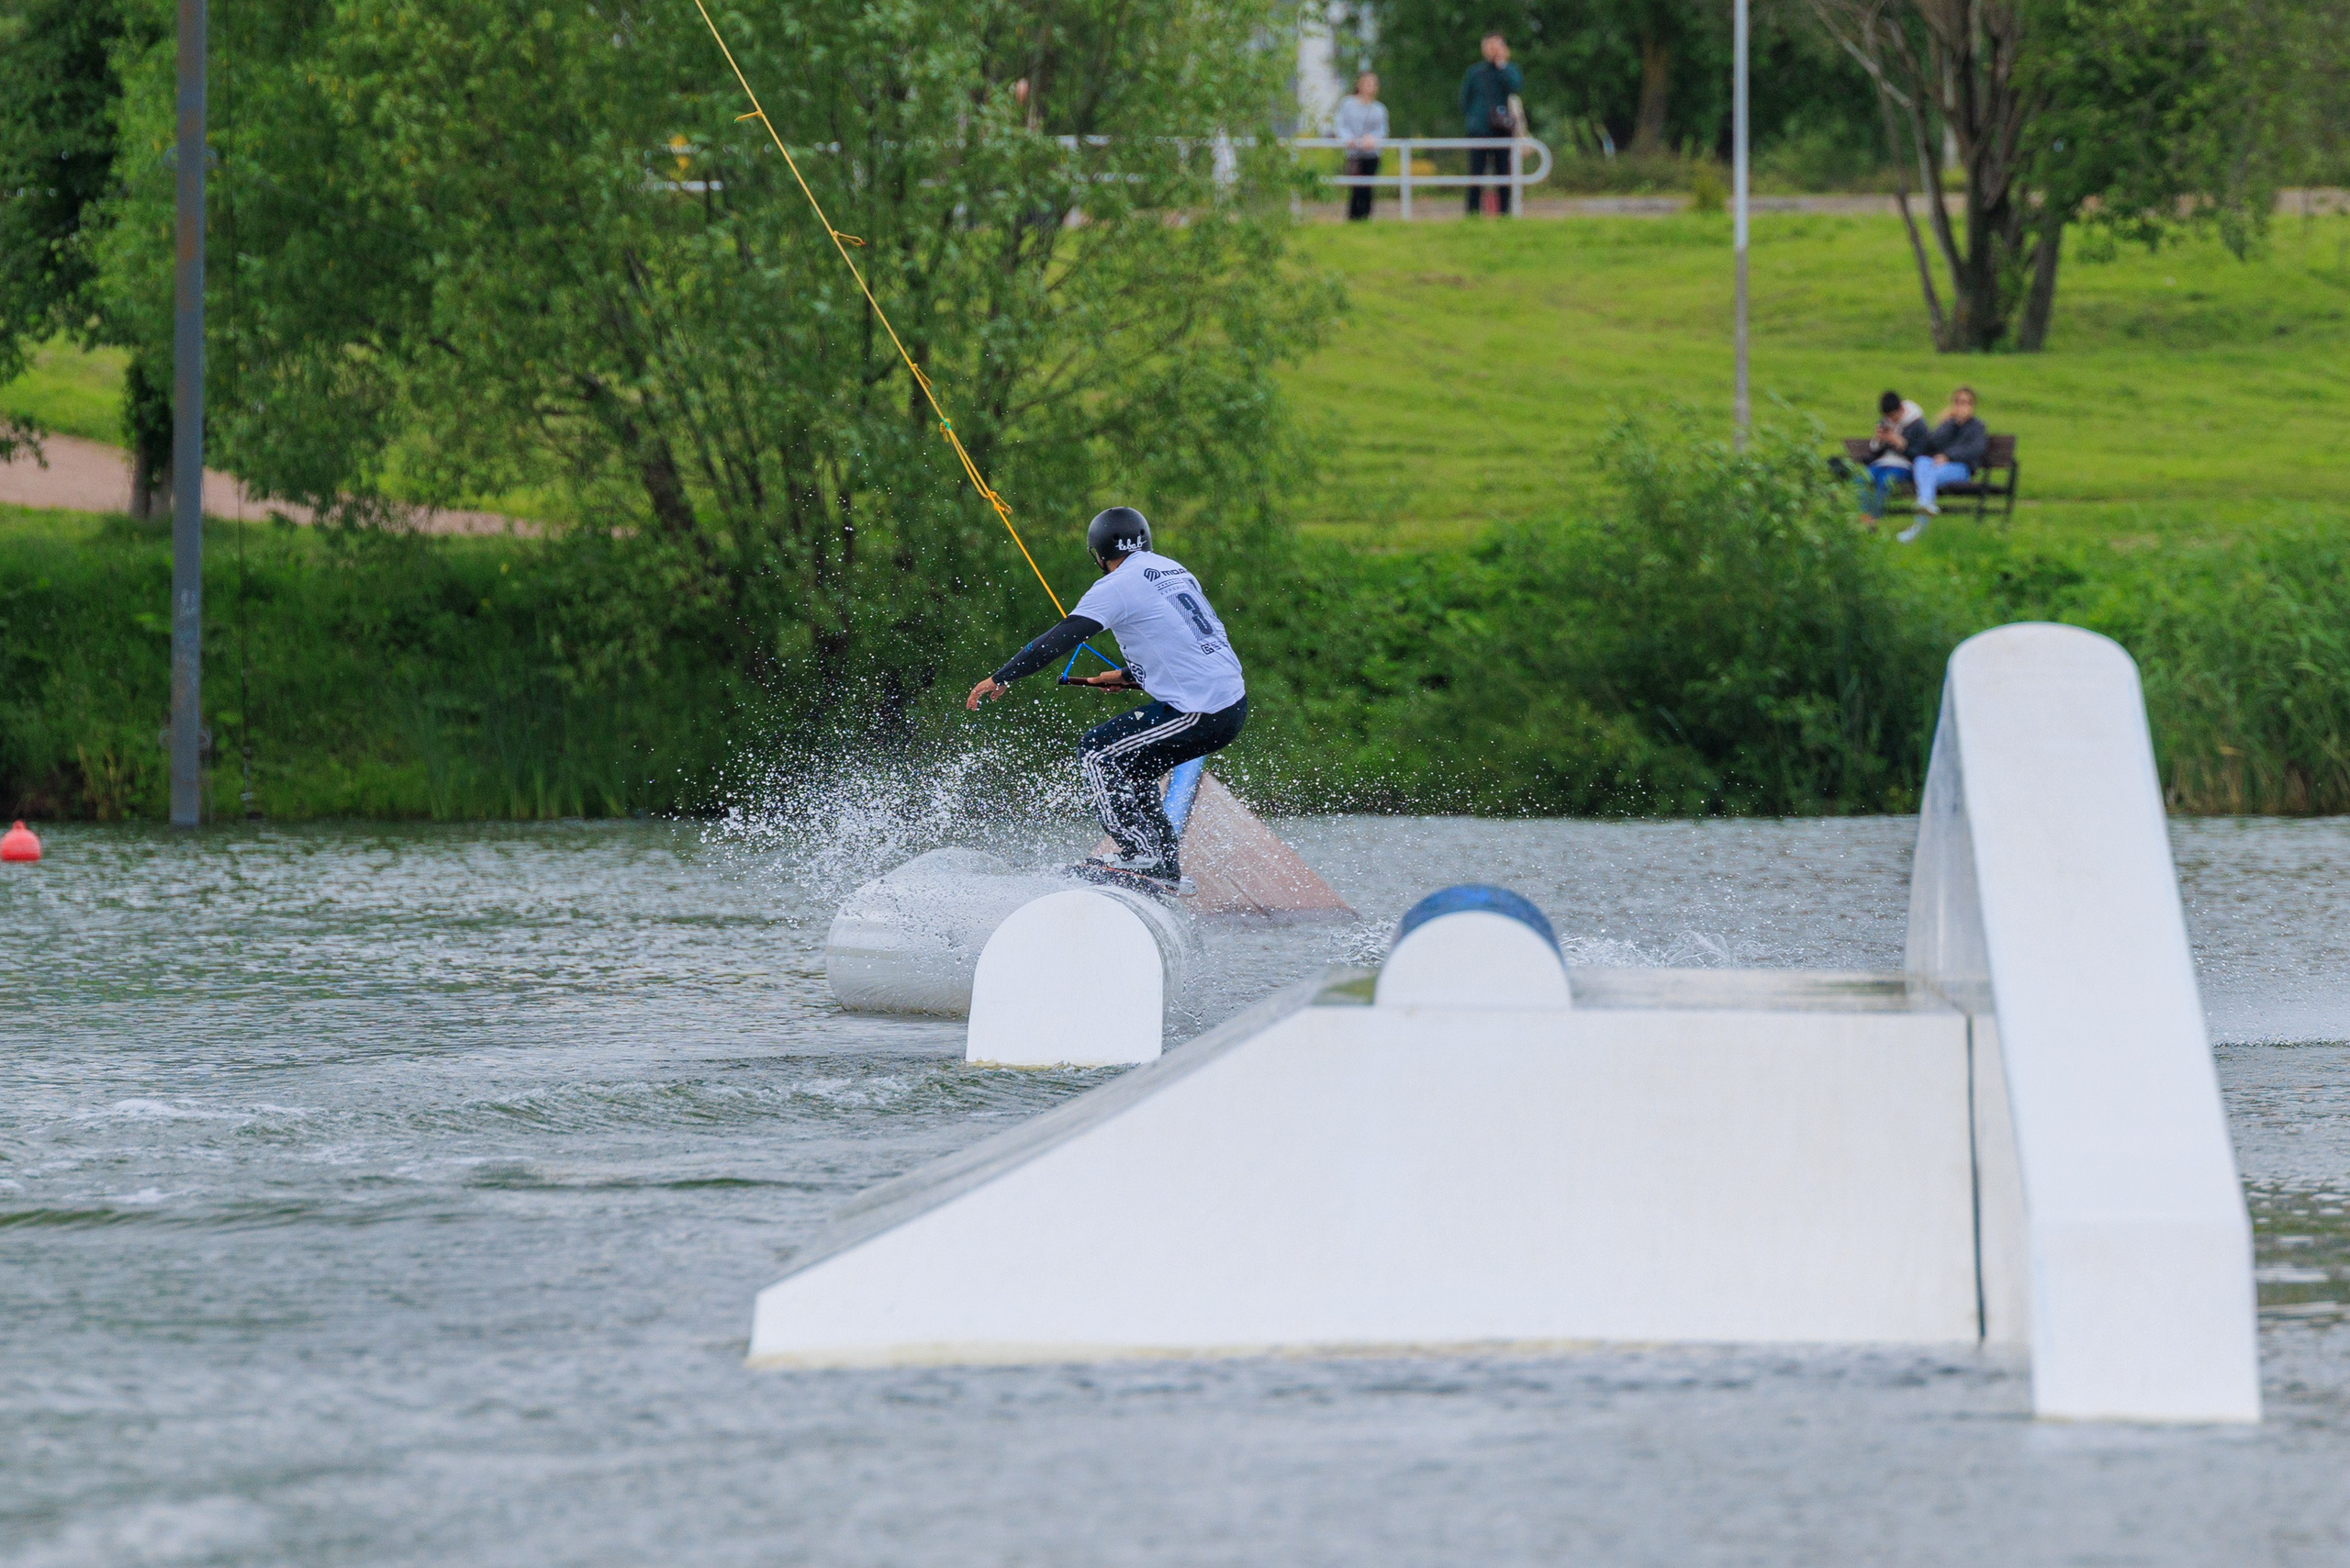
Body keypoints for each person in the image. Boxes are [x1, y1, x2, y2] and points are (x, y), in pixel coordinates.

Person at [967, 507, 1248, 891]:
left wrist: (1002, 676)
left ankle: (1140, 855)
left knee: (1097, 750)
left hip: (1199, 710)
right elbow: (1185, 642)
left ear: (1098, 555)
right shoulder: (1172, 569)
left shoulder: (1116, 586)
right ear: (1144, 540)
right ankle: (1163, 866)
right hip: (1226, 702)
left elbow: (1062, 637)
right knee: (1134, 769)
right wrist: (1129, 676)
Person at [1898, 386, 1988, 543]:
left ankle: (1918, 526)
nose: (1961, 406)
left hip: (1961, 469)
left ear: (1972, 405)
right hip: (1938, 466)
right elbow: (1932, 444)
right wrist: (1950, 423)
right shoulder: (1949, 424)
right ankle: (1925, 505)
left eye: (1965, 402)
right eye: (1958, 402)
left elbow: (1975, 449)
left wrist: (1948, 456)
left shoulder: (1977, 426)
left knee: (1929, 477)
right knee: (1921, 462)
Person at [1460, 32, 1524, 217]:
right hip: (1479, 130)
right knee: (1475, 173)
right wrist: (1473, 119)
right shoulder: (1475, 72)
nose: (1492, 50)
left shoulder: (1508, 70)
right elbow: (1465, 99)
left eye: (1496, 46)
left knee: (1503, 172)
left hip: (1501, 129)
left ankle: (1505, 212)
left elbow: (1516, 87)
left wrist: (1502, 65)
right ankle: (1472, 212)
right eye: (1489, 46)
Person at [1859, 388, 1928, 520]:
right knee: (1860, 478)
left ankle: (1874, 518)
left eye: (1893, 416)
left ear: (1901, 409)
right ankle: (1864, 516)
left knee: (1885, 481)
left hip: (1904, 466)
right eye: (1887, 417)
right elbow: (1873, 454)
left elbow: (1920, 455)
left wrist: (1901, 444)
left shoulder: (1918, 425)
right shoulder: (1885, 422)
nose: (1891, 420)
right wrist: (1879, 440)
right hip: (1882, 462)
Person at [1334, 72, 1389, 222]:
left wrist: (1372, 139)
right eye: (1367, 83)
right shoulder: (1347, 104)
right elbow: (1340, 125)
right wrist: (1348, 139)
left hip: (1371, 153)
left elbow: (1382, 130)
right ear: (1359, 84)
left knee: (1368, 187)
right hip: (1353, 153)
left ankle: (1366, 217)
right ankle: (1353, 217)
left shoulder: (1379, 109)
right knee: (1355, 187)